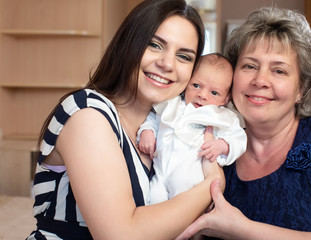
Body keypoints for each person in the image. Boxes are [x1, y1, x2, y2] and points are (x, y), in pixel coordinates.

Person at [26, 0, 224, 239]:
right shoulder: (88, 113)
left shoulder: (164, 124)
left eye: (184, 56)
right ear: (128, 44)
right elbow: (121, 235)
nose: (167, 64)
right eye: (154, 45)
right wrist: (212, 184)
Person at [176, 6, 311, 240]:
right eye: (249, 66)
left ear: (301, 88)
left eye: (279, 70)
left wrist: (242, 229)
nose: (260, 80)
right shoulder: (211, 144)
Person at [137, 53, 246, 204]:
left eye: (214, 93)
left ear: (225, 99)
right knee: (153, 197)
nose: (202, 95)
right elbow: (153, 119)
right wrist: (147, 132)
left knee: (182, 197)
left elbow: (239, 140)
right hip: (161, 171)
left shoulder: (223, 117)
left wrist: (222, 145)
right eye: (196, 85)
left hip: (190, 174)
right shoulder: (172, 104)